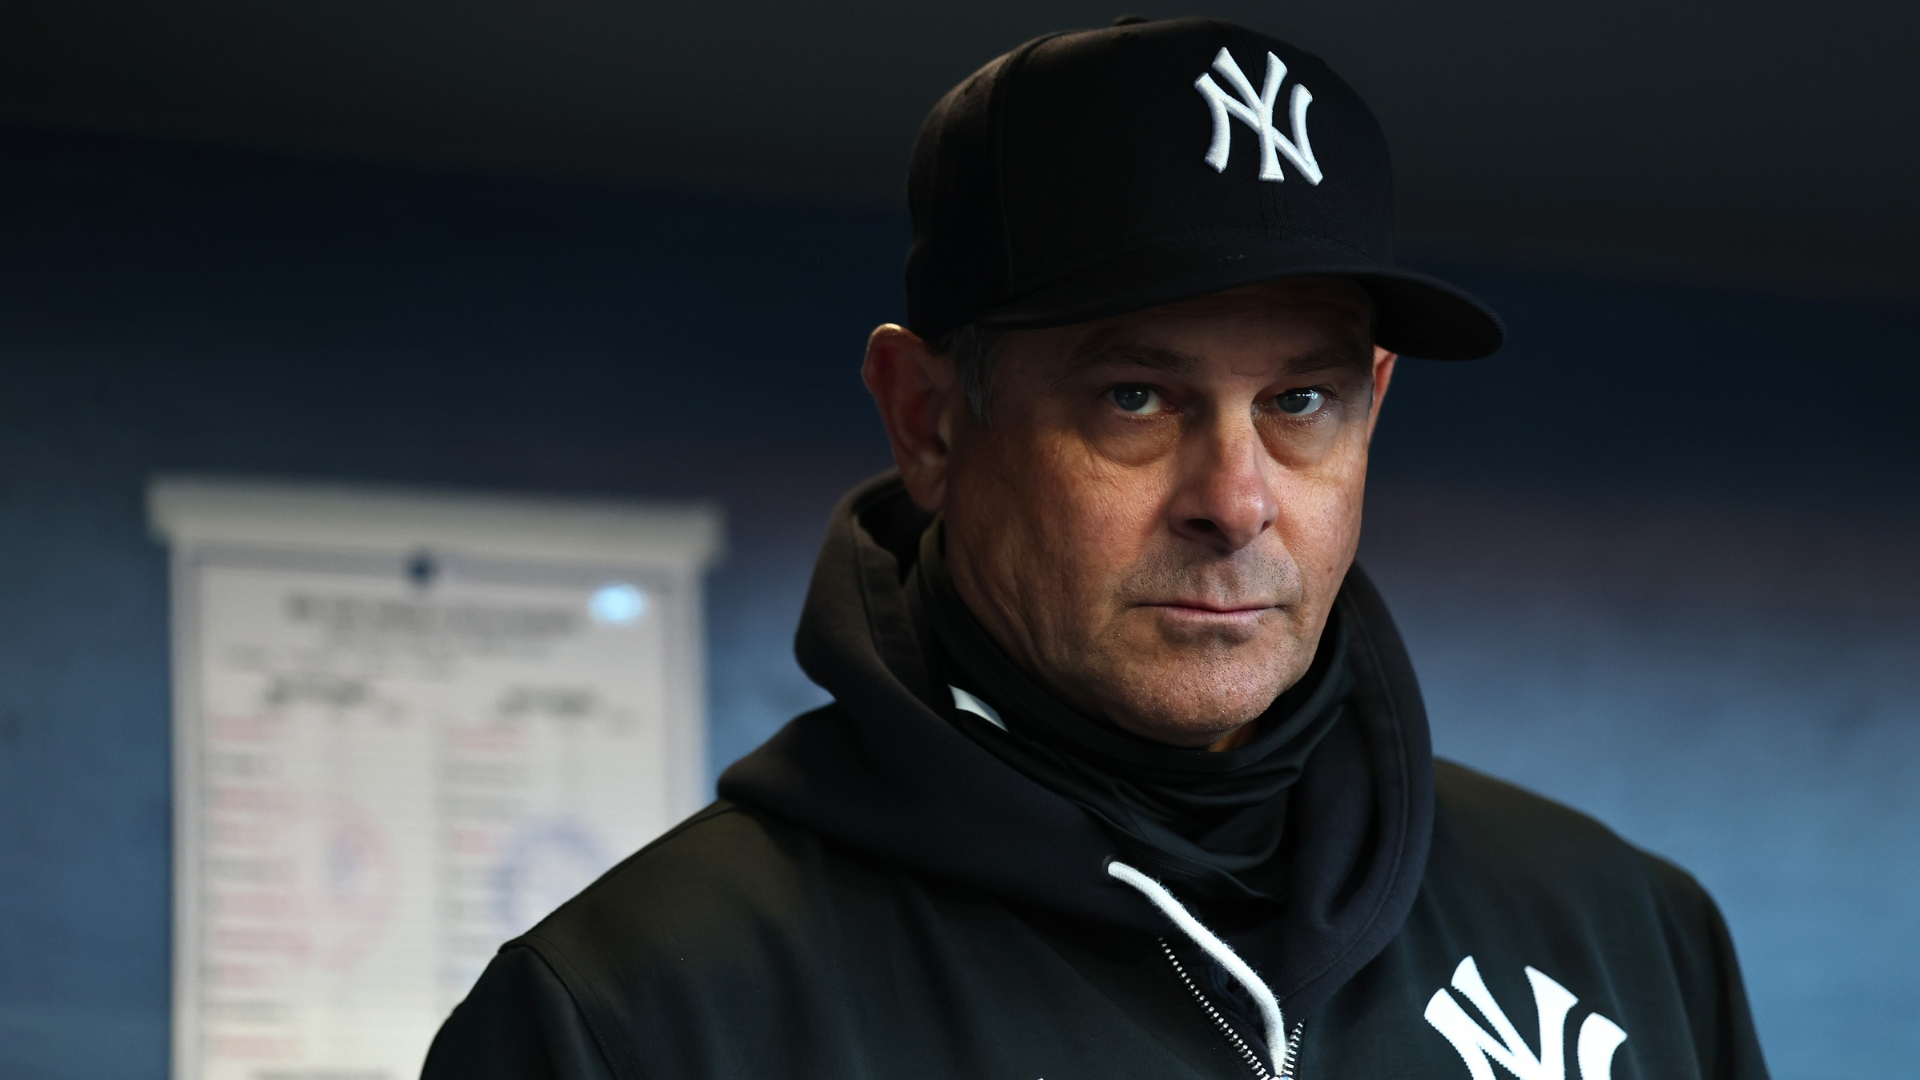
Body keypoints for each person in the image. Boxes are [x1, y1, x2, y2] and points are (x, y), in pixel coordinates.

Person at [423, 16, 1768, 1080]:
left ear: (1373, 405)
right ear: (930, 421)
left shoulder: (1627, 934)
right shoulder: (633, 1015)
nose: (1235, 500)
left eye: (1299, 402)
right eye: (1135, 397)